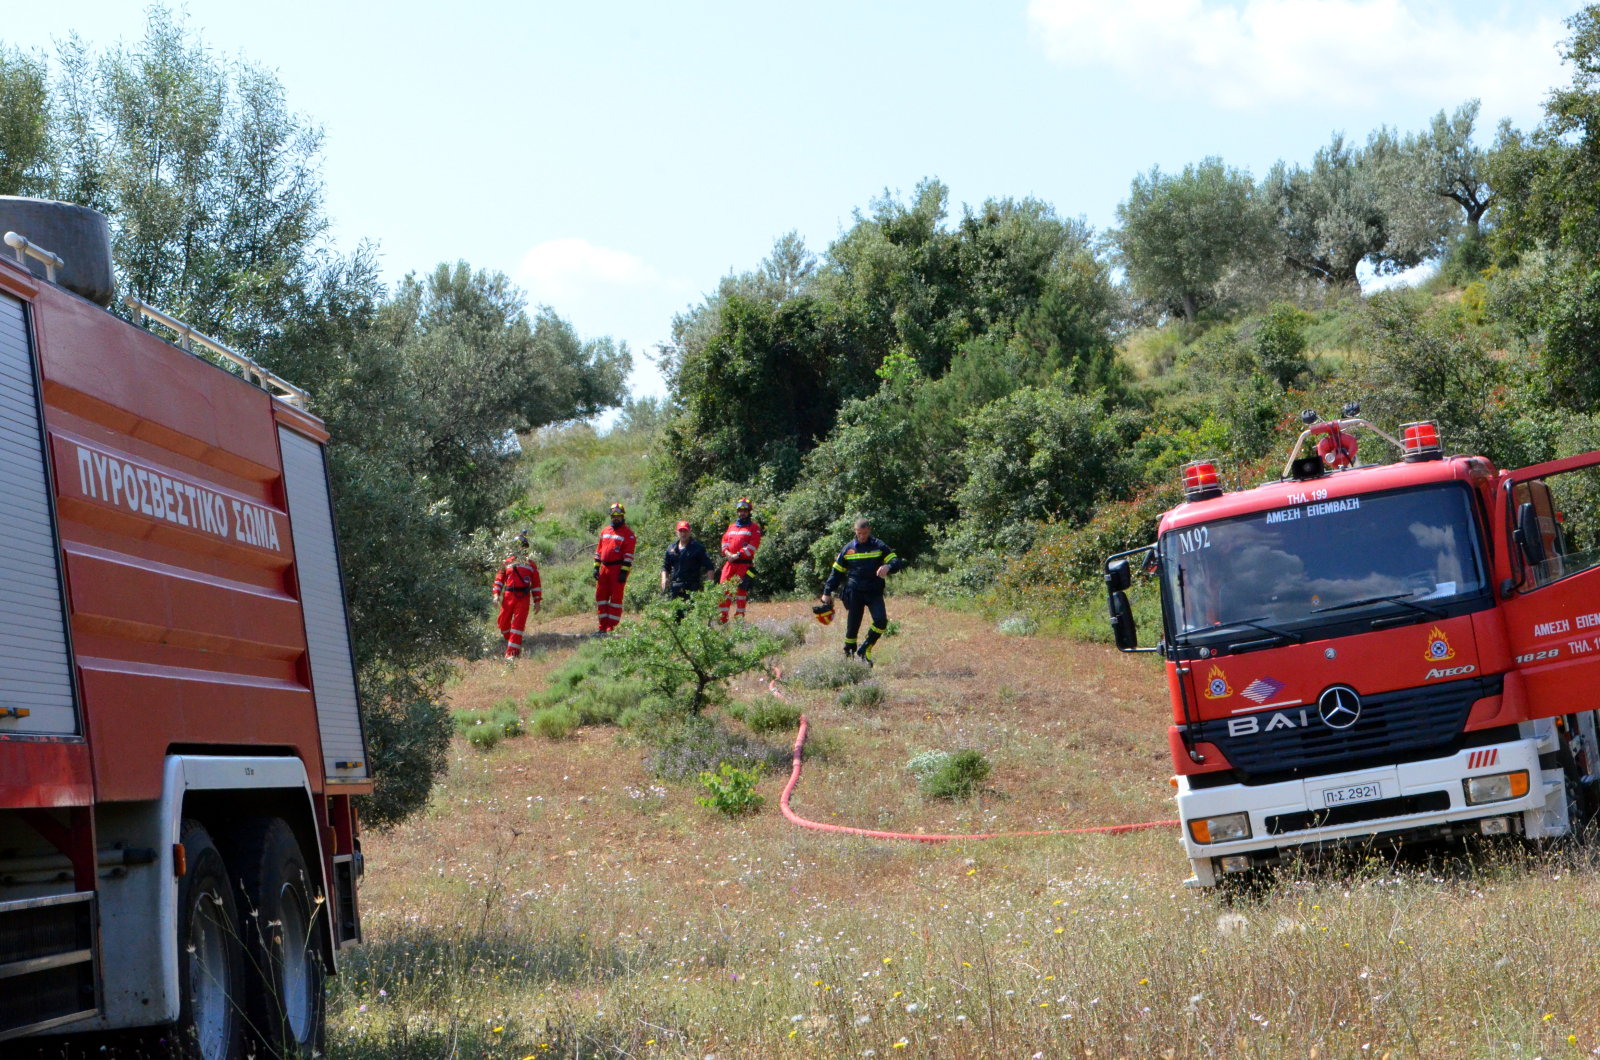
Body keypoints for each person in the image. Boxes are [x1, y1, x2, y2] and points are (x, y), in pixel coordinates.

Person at [820, 517, 906, 667]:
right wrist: (827, 592)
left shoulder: (878, 546)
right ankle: (848, 659)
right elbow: (837, 572)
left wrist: (888, 566)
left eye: (864, 533)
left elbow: (896, 561)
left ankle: (865, 648)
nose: (862, 536)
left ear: (869, 530)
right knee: (852, 627)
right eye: (859, 533)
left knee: (881, 621)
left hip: (874, 591)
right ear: (855, 531)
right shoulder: (848, 549)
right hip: (855, 592)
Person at [492, 534, 541, 659]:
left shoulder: (531, 564)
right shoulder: (506, 562)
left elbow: (536, 584)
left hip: (523, 598)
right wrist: (496, 594)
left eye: (522, 545)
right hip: (508, 596)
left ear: (525, 547)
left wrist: (537, 601)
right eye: (517, 545)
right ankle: (512, 641)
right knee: (502, 623)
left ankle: (511, 654)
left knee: (517, 626)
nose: (520, 548)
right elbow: (499, 580)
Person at [593, 502, 636, 634]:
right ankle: (602, 627)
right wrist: (596, 567)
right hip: (604, 568)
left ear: (623, 517)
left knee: (616, 599)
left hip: (618, 569)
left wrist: (624, 572)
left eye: (619, 516)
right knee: (600, 596)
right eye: (614, 516)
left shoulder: (628, 534)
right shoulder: (605, 531)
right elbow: (599, 551)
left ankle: (611, 628)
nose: (616, 518)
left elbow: (629, 555)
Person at [717, 498, 762, 623]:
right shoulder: (731, 527)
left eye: (745, 510)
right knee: (723, 591)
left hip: (744, 565)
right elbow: (724, 542)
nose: (742, 513)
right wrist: (727, 553)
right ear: (737, 511)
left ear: (749, 512)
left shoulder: (754, 528)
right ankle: (722, 620)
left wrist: (737, 555)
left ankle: (739, 622)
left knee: (741, 593)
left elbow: (753, 547)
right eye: (740, 510)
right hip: (730, 564)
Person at [662, 520, 714, 600]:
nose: (683, 534)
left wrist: (709, 586)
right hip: (675, 589)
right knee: (674, 608)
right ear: (677, 532)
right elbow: (665, 567)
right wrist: (664, 578)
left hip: (692, 589)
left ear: (690, 532)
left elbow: (709, 567)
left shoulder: (698, 548)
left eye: (685, 531)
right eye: (681, 531)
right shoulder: (671, 549)